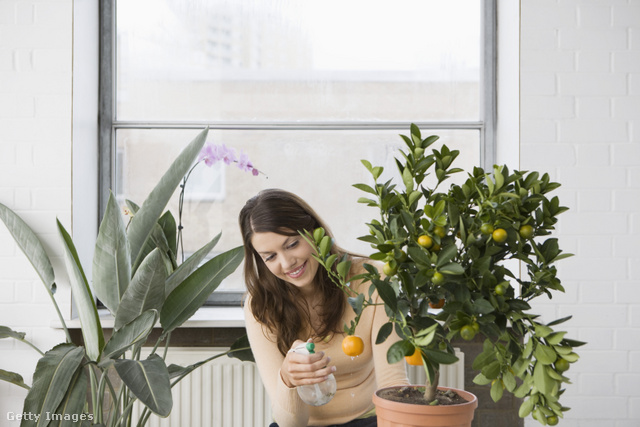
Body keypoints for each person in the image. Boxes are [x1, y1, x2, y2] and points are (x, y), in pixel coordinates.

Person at [238, 189, 409, 427]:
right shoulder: (259, 305)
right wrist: (288, 381)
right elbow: (290, 423)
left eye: (292, 244)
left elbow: (393, 384)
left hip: (369, 420)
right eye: (270, 257)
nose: (287, 263)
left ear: (314, 232)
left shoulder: (374, 280)